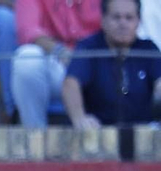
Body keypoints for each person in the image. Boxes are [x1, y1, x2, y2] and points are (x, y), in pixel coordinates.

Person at [64, 0, 161, 128]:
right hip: (98, 134)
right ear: (103, 20)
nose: (123, 23)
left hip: (142, 133)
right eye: (116, 17)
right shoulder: (89, 47)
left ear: (138, 21)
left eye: (129, 18)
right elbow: (71, 84)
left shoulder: (148, 49)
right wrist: (80, 118)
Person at [13, 0, 101, 126]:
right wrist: (60, 51)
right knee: (27, 58)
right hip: (58, 62)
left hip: (97, 62)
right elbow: (28, 30)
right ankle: (35, 136)